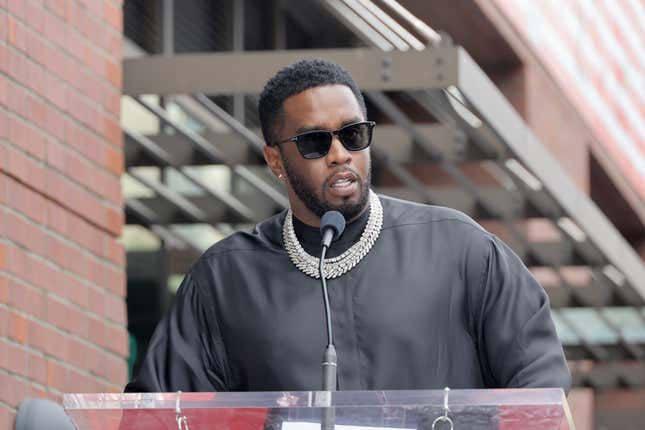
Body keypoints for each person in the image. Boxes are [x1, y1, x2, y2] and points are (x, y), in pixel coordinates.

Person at [125, 58, 571, 394]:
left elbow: (539, 381)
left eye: (353, 134)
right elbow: (161, 409)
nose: (340, 154)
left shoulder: (460, 249)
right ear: (276, 160)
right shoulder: (225, 280)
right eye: (316, 141)